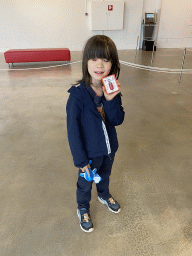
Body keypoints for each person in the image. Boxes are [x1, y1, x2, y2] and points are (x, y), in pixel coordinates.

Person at [66, 35, 125, 233]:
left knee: (105, 175)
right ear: (86, 62)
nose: (100, 64)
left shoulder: (111, 89)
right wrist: (81, 161)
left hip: (109, 150)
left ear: (112, 64)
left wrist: (110, 99)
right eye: (94, 59)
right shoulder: (77, 97)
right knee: (85, 183)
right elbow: (73, 133)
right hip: (89, 156)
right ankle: (83, 207)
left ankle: (103, 194)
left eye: (106, 59)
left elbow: (117, 120)